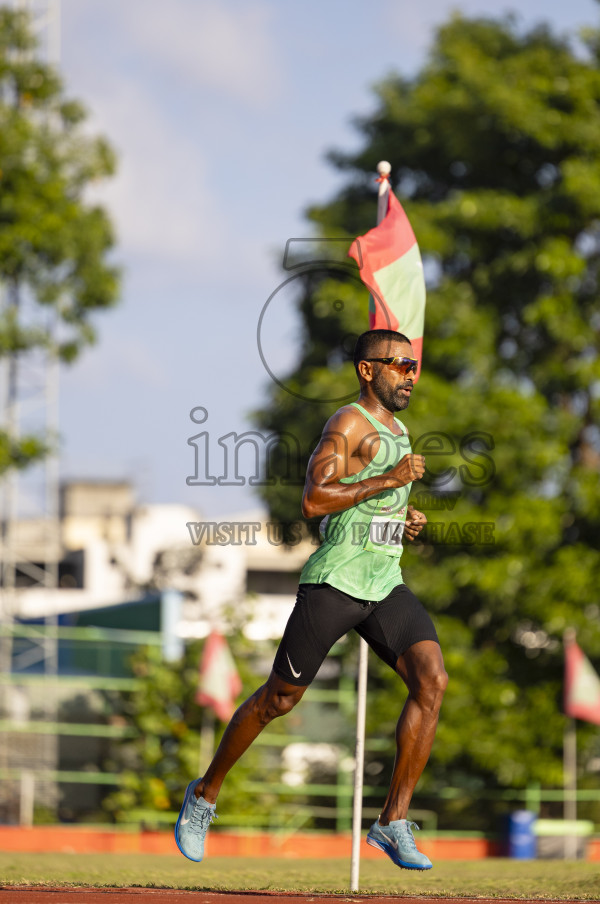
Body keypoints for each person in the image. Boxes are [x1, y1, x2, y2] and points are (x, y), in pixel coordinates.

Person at [175, 329, 448, 869]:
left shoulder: (400, 430)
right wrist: (389, 480)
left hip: (383, 582)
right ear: (367, 370)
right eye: (399, 365)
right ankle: (203, 795)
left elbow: (368, 507)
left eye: (413, 366)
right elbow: (314, 500)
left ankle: (392, 822)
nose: (410, 376)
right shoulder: (348, 423)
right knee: (279, 700)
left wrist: (401, 516)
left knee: (432, 680)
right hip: (335, 582)